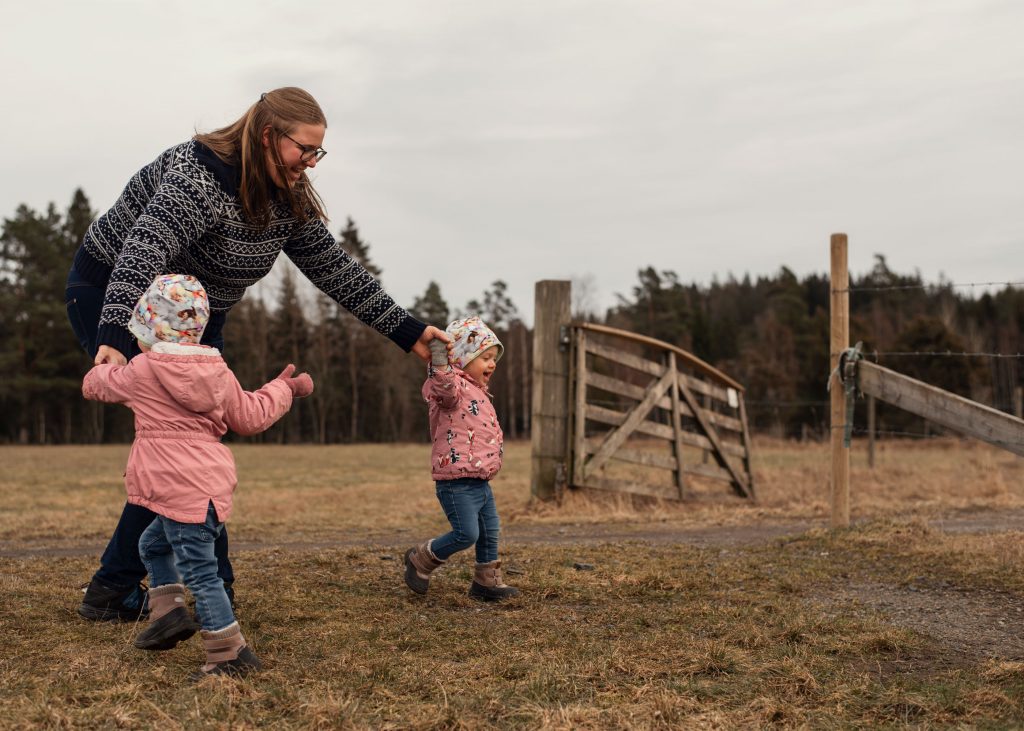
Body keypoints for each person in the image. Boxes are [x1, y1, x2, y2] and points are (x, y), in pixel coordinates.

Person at [66, 86, 449, 621]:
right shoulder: (199, 176)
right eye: (304, 150)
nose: (311, 163)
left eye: (319, 153)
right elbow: (143, 248)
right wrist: (111, 333)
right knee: (179, 445)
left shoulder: (287, 197)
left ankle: (176, 586)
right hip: (119, 294)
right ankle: (125, 589)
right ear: (269, 137)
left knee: (192, 444)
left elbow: (333, 269)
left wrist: (409, 332)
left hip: (197, 315)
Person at [83, 273, 313, 679]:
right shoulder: (218, 372)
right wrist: (284, 389)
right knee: (152, 544)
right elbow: (252, 416)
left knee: (202, 575)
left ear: (149, 328)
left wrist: (105, 362)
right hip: (207, 486)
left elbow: (96, 388)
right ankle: (168, 614)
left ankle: (229, 654)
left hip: (175, 489)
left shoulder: (142, 370)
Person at [403, 317, 520, 602]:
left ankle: (486, 581)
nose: (493, 364)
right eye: (486, 357)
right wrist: (441, 358)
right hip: (456, 481)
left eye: (494, 358)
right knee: (466, 533)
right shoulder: (450, 390)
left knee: (489, 532)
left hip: (479, 479)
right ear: (463, 358)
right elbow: (443, 381)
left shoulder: (478, 391)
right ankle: (422, 559)